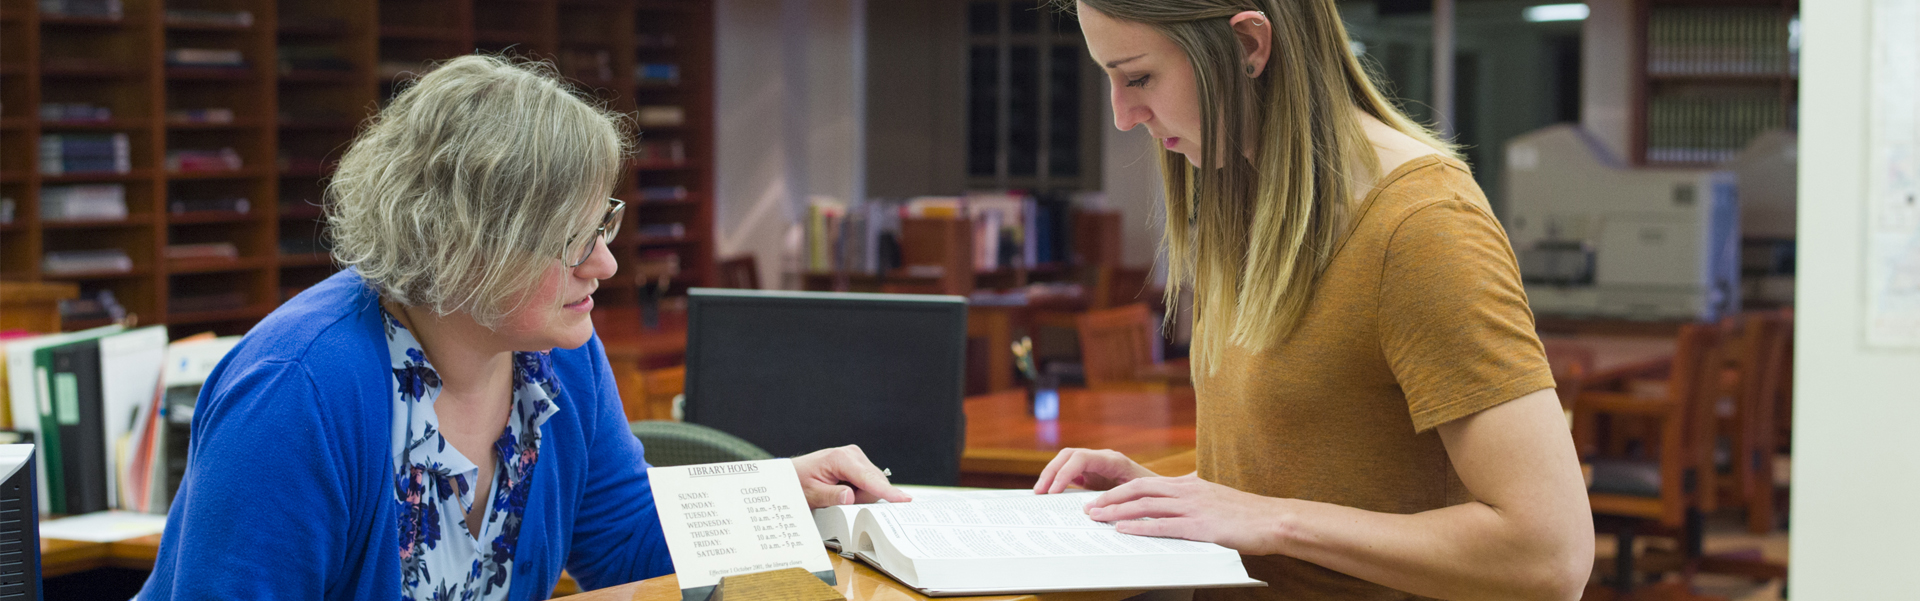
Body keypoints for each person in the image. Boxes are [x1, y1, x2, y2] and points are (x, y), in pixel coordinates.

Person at [138, 55, 908, 601]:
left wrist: (781, 492)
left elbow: (627, 543)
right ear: (466, 240)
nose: (605, 265)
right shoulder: (299, 388)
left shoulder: (557, 357)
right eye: (576, 238)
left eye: (604, 224)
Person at [1032, 2, 1593, 600]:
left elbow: (1549, 558)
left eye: (1139, 77)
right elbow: (1331, 478)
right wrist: (1170, 499)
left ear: (1249, 46)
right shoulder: (1256, 200)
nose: (1122, 115)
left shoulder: (1422, 225)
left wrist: (1273, 522)